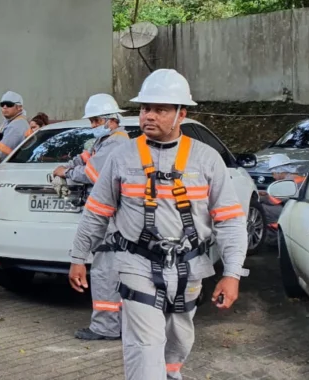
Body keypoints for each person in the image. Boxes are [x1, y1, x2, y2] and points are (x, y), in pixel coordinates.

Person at [69, 69, 248, 380]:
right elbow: (96, 212)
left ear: (182, 114)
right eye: (144, 108)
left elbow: (230, 221)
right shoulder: (122, 156)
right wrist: (78, 257)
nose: (148, 116)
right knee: (144, 345)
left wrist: (232, 274)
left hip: (190, 268)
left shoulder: (206, 159)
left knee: (178, 343)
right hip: (136, 265)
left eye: (160, 109)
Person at [51, 94, 130, 341]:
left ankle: (105, 328)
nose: (93, 125)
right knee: (104, 270)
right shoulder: (105, 142)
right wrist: (67, 165)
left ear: (111, 120)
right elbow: (85, 159)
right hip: (107, 215)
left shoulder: (116, 144)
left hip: (109, 217)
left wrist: (67, 172)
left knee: (104, 272)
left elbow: (92, 173)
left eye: (96, 121)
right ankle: (114, 325)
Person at [263, 153, 308, 233]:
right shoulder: (299, 178)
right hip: (299, 209)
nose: (273, 177)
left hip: (293, 212)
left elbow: (272, 201)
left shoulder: (287, 182)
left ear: (280, 171)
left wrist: (259, 197)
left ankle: (274, 233)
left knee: (262, 208)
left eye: (273, 173)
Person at [0, 91, 31, 158]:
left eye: (9, 104)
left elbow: (1, 153)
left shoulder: (16, 125)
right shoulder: (10, 121)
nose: (5, 107)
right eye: (2, 104)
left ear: (19, 107)